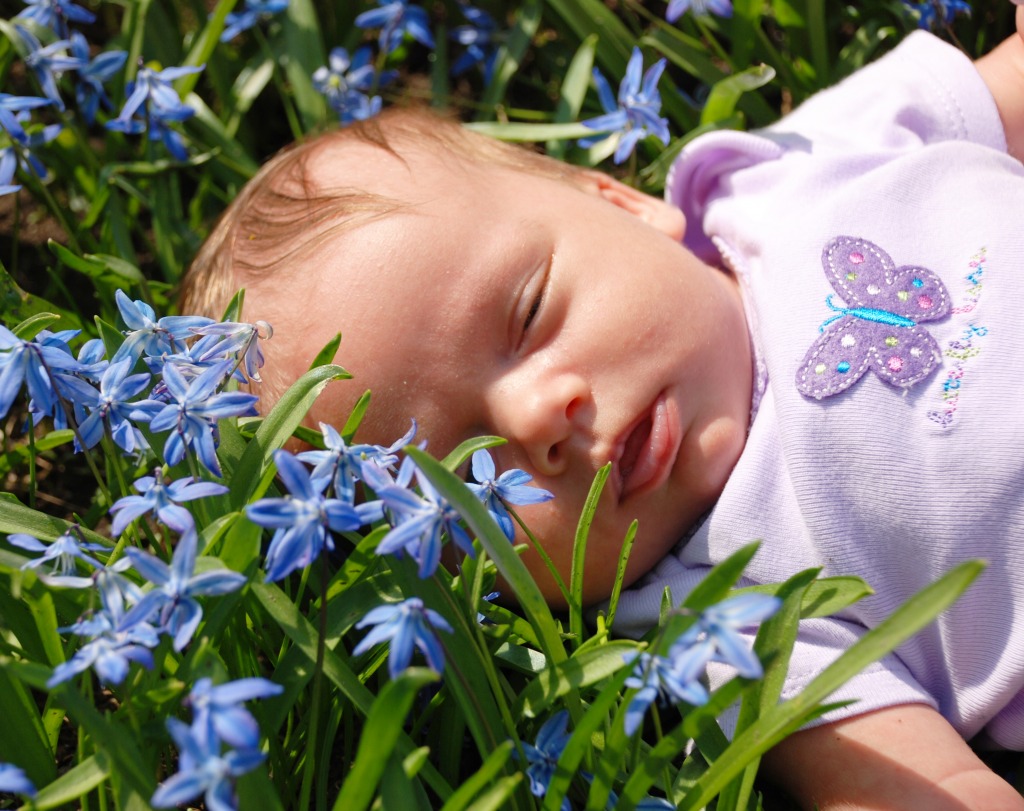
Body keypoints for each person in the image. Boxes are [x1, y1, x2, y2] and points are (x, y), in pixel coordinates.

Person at [181, 8, 1024, 809]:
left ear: (620, 202)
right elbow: (919, 786)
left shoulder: (779, 172)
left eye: (530, 312)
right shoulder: (730, 621)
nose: (539, 419)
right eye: (465, 476)